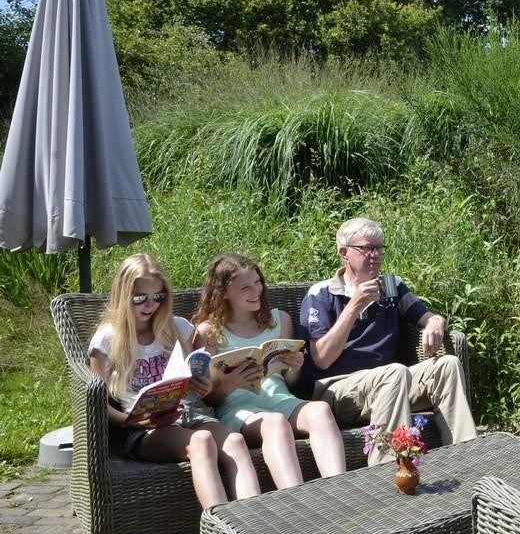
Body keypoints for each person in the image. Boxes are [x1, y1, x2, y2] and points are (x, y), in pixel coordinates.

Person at [86, 253, 261, 509]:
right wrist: (133, 420)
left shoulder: (178, 328)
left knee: (234, 441)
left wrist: (204, 385)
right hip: (145, 428)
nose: (150, 305)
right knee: (201, 442)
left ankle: (253, 519)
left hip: (191, 412)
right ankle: (222, 528)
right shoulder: (107, 340)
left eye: (158, 297)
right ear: (123, 296)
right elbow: (95, 403)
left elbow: (198, 377)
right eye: (140, 299)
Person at [297, 217, 476, 466]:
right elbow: (322, 358)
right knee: (394, 373)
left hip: (392, 383)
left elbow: (427, 316)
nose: (375, 255)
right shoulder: (322, 294)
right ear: (344, 253)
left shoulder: (392, 287)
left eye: (379, 248)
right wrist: (355, 305)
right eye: (367, 248)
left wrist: (435, 322)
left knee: (447, 365)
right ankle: (386, 469)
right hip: (337, 389)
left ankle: (465, 458)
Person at [193, 253, 346, 487]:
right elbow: (207, 398)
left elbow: (291, 383)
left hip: (281, 399)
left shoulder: (278, 320)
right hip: (238, 409)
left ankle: (339, 489)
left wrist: (295, 366)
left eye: (258, 283)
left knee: (320, 411)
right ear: (223, 293)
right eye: (245, 288)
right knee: (275, 423)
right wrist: (233, 382)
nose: (256, 292)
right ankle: (295, 495)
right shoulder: (209, 333)